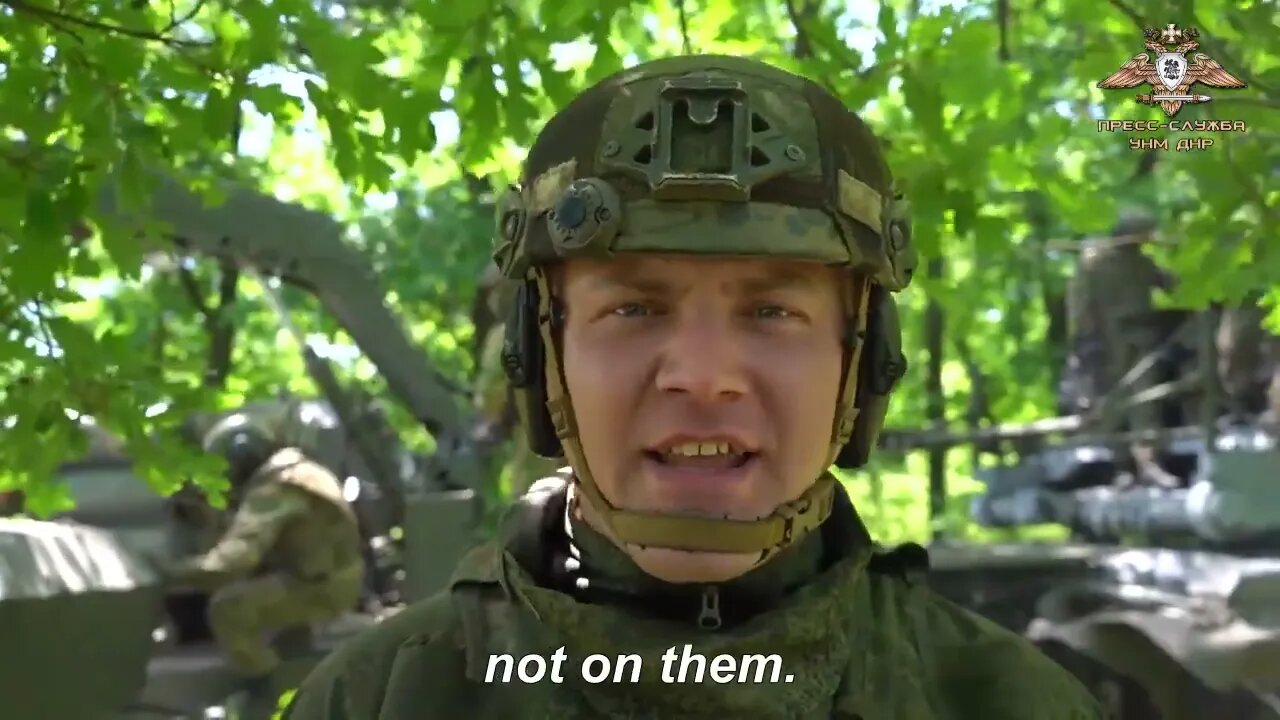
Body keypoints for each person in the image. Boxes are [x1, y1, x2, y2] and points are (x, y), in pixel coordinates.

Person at [283, 55, 1105, 719]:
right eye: (634, 307)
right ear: (544, 357)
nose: (703, 377)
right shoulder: (386, 697)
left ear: (863, 361)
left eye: (773, 310)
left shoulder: (1001, 699)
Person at [168, 413, 365, 710]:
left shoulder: (274, 488)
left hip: (319, 587)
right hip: (335, 577)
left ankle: (266, 695)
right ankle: (289, 673)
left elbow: (231, 563)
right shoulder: (306, 472)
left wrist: (169, 573)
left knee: (229, 607)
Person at [1064, 211, 1188, 486]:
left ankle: (1148, 463)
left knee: (1147, 401)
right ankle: (1118, 466)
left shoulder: (1140, 263)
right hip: (1108, 342)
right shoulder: (1095, 261)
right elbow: (1080, 303)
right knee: (1111, 404)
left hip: (1141, 339)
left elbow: (1170, 283)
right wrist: (1088, 342)